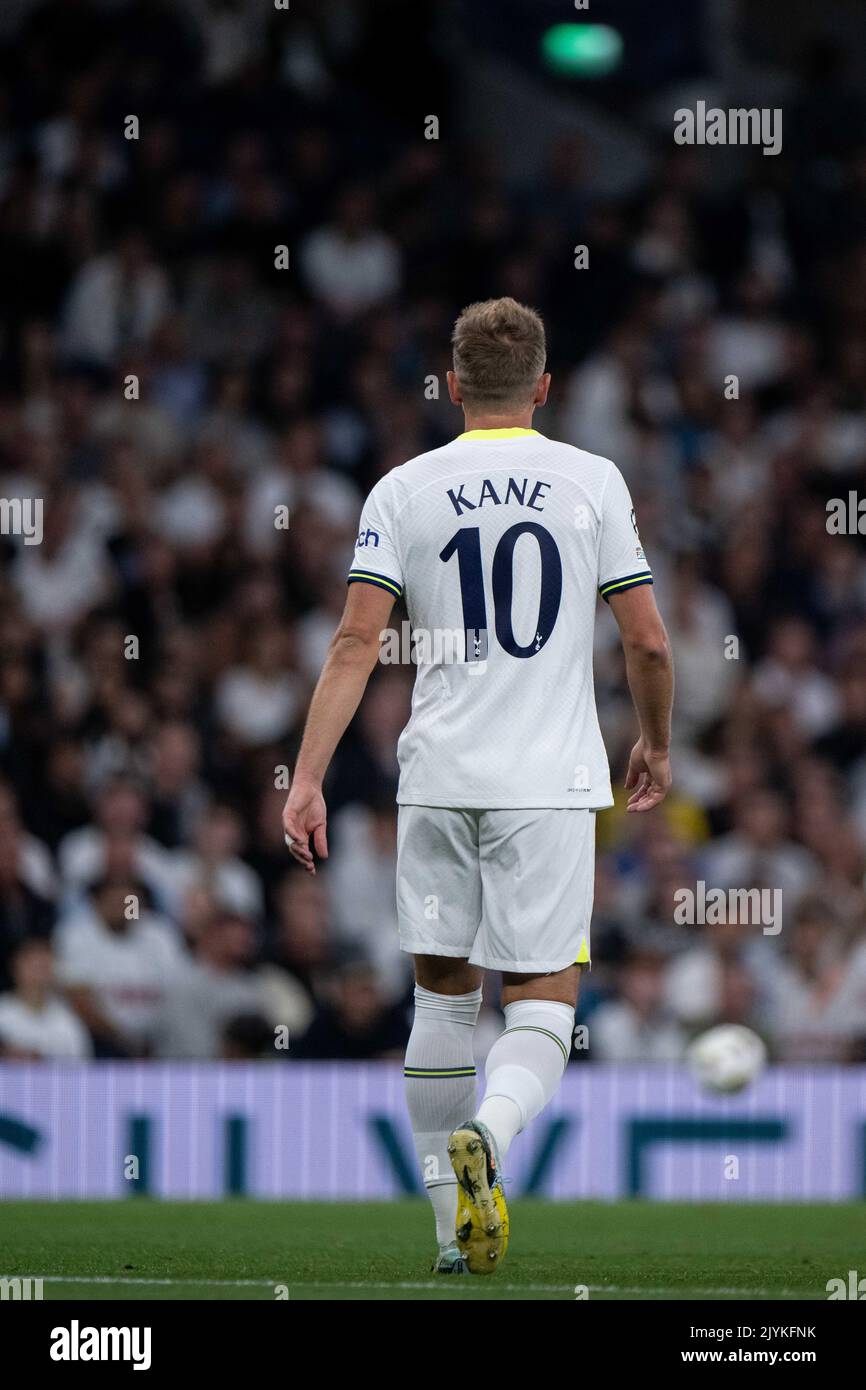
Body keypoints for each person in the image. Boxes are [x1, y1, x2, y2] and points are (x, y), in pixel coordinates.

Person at [282, 297, 674, 1275]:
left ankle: (446, 1237)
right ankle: (489, 1142)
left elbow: (353, 643)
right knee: (542, 1005)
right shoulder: (590, 480)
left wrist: (309, 777)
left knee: (443, 1008)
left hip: (437, 778)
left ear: (451, 385)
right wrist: (655, 746)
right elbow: (647, 639)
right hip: (545, 779)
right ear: (543, 387)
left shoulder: (402, 488)